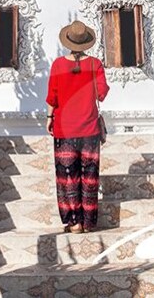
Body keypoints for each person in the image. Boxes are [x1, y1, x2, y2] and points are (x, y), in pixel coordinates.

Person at [45, 20, 109, 234]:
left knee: (67, 176)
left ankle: (74, 222)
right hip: (89, 128)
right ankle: (89, 221)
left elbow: (52, 97)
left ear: (68, 41)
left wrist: (48, 117)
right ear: (86, 43)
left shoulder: (58, 65)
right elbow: (102, 93)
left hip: (64, 129)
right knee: (89, 176)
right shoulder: (95, 64)